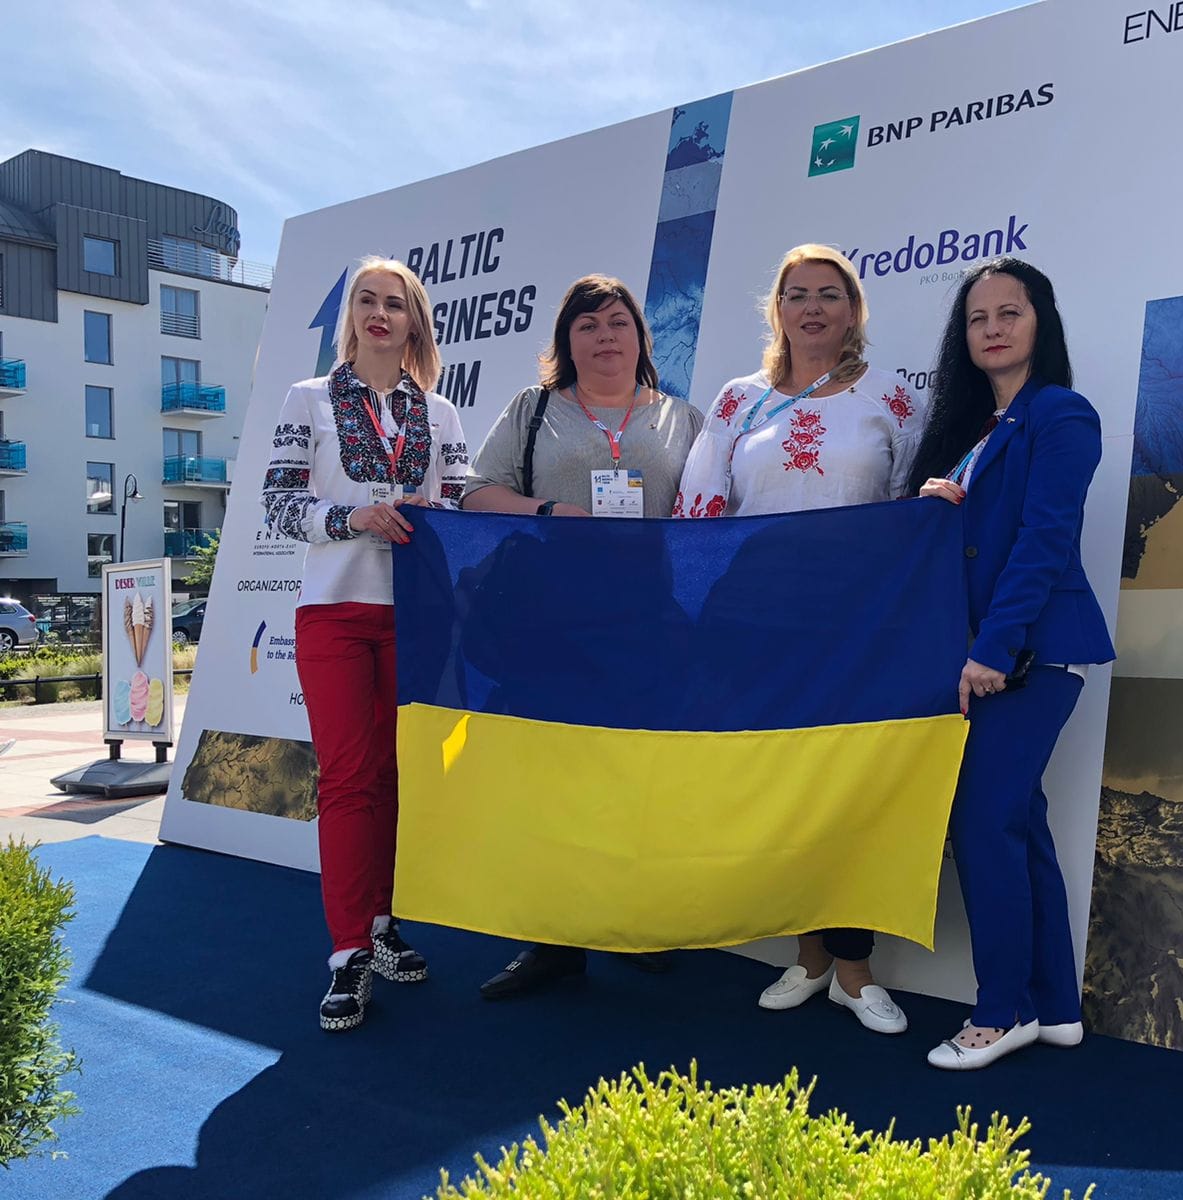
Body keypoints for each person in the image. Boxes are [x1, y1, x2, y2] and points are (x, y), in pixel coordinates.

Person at [674, 243, 926, 1035]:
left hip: (855, 626)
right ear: (776, 310)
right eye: (797, 294)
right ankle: (809, 956)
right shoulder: (737, 401)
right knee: (780, 784)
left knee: (850, 787)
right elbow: (699, 505)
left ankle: (856, 970)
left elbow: (912, 516)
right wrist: (692, 613)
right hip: (755, 624)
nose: (812, 308)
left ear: (852, 311)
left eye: (828, 294)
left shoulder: (893, 398)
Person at [462, 273, 703, 998]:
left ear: (640, 335)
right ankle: (553, 940)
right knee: (552, 778)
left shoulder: (684, 418)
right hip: (550, 622)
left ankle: (627, 923)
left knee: (635, 776)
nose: (605, 336)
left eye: (618, 321)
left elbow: (711, 511)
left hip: (647, 622)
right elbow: (475, 491)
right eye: (588, 324)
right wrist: (548, 511)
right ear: (568, 340)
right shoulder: (534, 409)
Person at [908, 257, 1115, 1070]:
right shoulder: (975, 430)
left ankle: (1004, 1010)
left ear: (1040, 322)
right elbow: (973, 543)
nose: (992, 328)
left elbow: (1044, 539)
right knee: (1017, 821)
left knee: (983, 819)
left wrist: (993, 648)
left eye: (1009, 313)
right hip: (984, 653)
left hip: (1036, 651)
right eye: (977, 318)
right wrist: (933, 511)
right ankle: (1055, 1006)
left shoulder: (1061, 413)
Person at [261, 257, 470, 1032]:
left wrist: (436, 512)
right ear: (350, 315)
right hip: (334, 612)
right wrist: (351, 517)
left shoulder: (440, 412)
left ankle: (383, 923)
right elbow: (279, 504)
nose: (380, 314)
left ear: (414, 321)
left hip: (415, 615)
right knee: (349, 778)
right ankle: (348, 951)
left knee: (396, 777)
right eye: (366, 301)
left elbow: (461, 500)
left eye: (395, 303)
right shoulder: (309, 398)